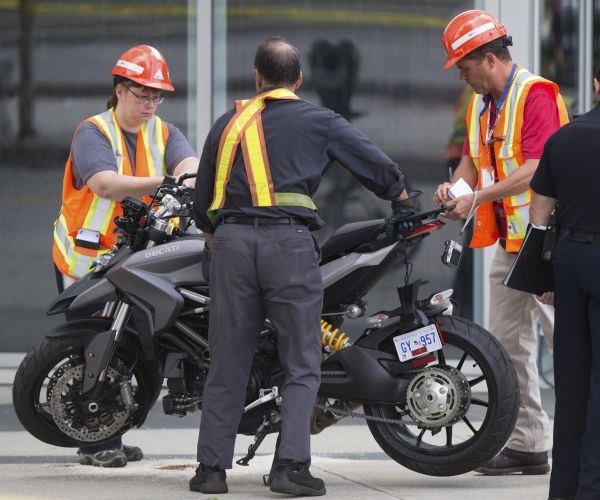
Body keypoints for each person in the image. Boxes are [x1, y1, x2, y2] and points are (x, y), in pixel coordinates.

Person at [191, 36, 409, 496]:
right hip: (288, 244)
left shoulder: (229, 122)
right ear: (299, 80)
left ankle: (211, 471)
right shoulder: (320, 120)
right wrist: (402, 198)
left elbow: (203, 198)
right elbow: (376, 165)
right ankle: (290, 467)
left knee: (228, 358)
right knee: (301, 359)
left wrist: (221, 236)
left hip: (230, 244)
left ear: (257, 77)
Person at [432, 10, 568, 475]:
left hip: (548, 241)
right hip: (511, 245)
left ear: (488, 59)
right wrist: (455, 188)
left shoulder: (536, 95)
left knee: (571, 345)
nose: (463, 76)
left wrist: (479, 197)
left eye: (465, 68)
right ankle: (528, 445)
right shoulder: (481, 103)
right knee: (507, 348)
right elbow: (473, 159)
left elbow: (536, 168)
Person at [52, 44, 199, 467]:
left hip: (137, 260)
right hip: (86, 258)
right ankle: (96, 442)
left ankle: (109, 430)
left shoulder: (165, 132)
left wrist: (187, 174)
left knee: (129, 347)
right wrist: (167, 182)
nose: (150, 103)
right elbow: (103, 184)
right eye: (141, 94)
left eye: (156, 95)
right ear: (119, 90)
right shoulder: (93, 131)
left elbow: (188, 165)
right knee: (91, 348)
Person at [529, 67, 600, 500]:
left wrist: (546, 273)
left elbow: (538, 215)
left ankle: (566, 490)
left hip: (570, 260)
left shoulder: (564, 137)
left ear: (596, 84)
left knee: (572, 382)